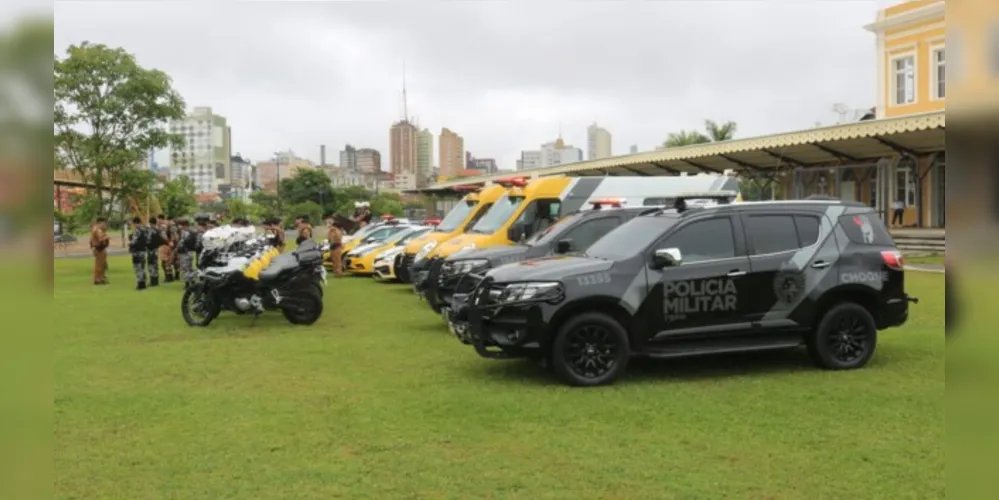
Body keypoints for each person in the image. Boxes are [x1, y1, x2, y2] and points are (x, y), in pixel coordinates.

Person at [128, 217, 150, 290]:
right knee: (142, 267)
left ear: (135, 223)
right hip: (143, 251)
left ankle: (140, 284)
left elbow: (133, 241)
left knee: (137, 267)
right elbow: (148, 240)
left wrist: (130, 243)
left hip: (137, 251)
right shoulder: (145, 230)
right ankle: (143, 283)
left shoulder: (137, 231)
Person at [90, 217, 110, 285]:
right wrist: (107, 237)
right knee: (99, 265)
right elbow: (101, 239)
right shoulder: (97, 230)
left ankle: (101, 278)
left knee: (103, 264)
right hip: (99, 249)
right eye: (103, 223)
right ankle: (97, 279)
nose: (104, 225)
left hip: (100, 248)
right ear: (100, 223)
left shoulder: (99, 229)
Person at [155, 215, 175, 283]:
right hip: (168, 245)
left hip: (165, 245)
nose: (157, 221)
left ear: (160, 219)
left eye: (158, 219)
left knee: (164, 262)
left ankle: (168, 277)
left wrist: (169, 242)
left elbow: (164, 236)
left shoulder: (163, 226)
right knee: (168, 262)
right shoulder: (169, 225)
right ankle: (170, 276)